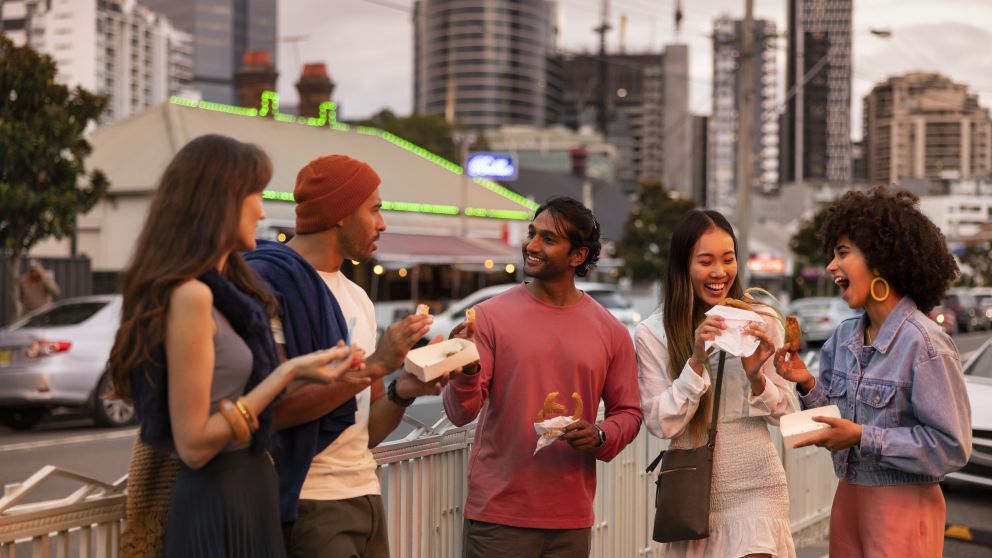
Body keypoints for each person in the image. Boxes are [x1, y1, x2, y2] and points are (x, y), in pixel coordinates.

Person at [107, 135, 363, 558]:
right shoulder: (193, 296)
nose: (263, 210)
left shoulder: (230, 291)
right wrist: (287, 373)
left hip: (249, 491)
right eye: (255, 195)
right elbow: (193, 443)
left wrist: (300, 372)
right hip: (217, 499)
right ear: (220, 200)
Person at [246, 154, 447, 558]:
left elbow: (365, 429)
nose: (383, 223)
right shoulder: (270, 285)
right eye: (374, 209)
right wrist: (376, 364)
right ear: (340, 212)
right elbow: (273, 411)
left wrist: (403, 389)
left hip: (366, 495)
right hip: (309, 501)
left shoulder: (358, 298)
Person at [774, 187, 971, 557]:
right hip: (849, 500)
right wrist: (806, 382)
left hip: (904, 506)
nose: (832, 266)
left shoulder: (925, 345)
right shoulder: (843, 337)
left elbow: (951, 448)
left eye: (843, 253)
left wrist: (863, 437)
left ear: (881, 259)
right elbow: (836, 417)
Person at [443, 196, 643, 558]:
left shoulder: (611, 331)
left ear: (578, 256)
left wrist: (600, 434)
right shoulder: (488, 317)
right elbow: (460, 413)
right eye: (532, 233)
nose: (531, 245)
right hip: (498, 518)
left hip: (571, 521)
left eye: (548, 239)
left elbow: (629, 412)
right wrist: (467, 372)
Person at [636, 209, 798, 558]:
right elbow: (660, 422)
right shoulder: (652, 333)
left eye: (728, 259)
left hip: (759, 484)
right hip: (693, 492)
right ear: (682, 266)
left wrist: (757, 377)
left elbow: (787, 414)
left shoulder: (762, 321)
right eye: (705, 261)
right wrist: (695, 361)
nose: (719, 272)